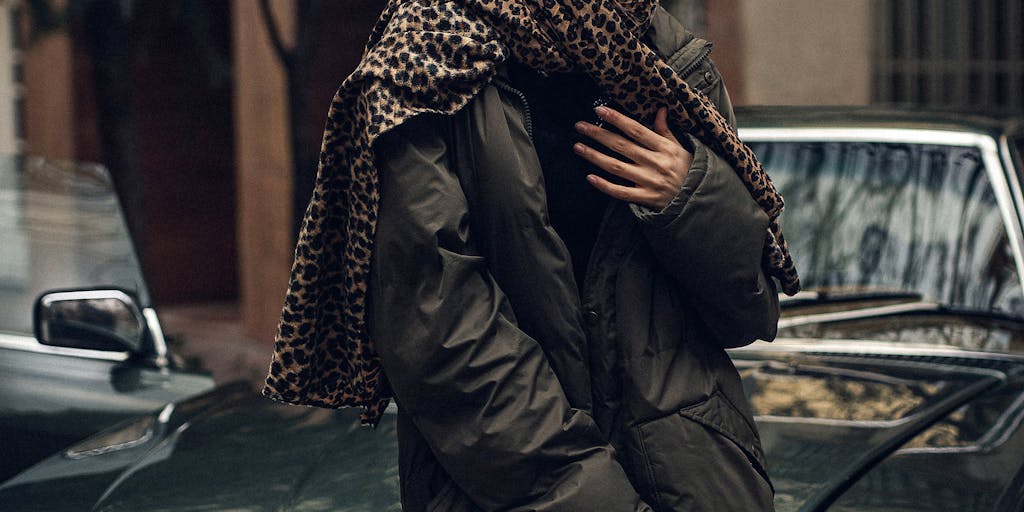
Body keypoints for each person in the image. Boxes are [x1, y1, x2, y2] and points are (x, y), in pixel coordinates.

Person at [264, 1, 800, 511]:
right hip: (507, 487)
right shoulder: (425, 54)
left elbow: (750, 312)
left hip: (699, 482)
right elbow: (442, 342)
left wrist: (688, 195)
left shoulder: (656, 45)